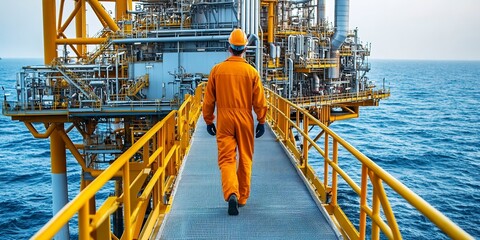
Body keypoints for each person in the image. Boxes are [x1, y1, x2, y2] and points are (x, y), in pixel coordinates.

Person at [202, 28, 267, 216]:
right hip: (245, 119)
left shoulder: (217, 70)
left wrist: (208, 120)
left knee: (227, 159)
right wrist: (261, 121)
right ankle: (242, 197)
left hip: (224, 119)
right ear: (245, 49)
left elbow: (208, 101)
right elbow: (259, 101)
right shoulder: (251, 72)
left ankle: (231, 192)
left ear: (228, 47)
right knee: (245, 158)